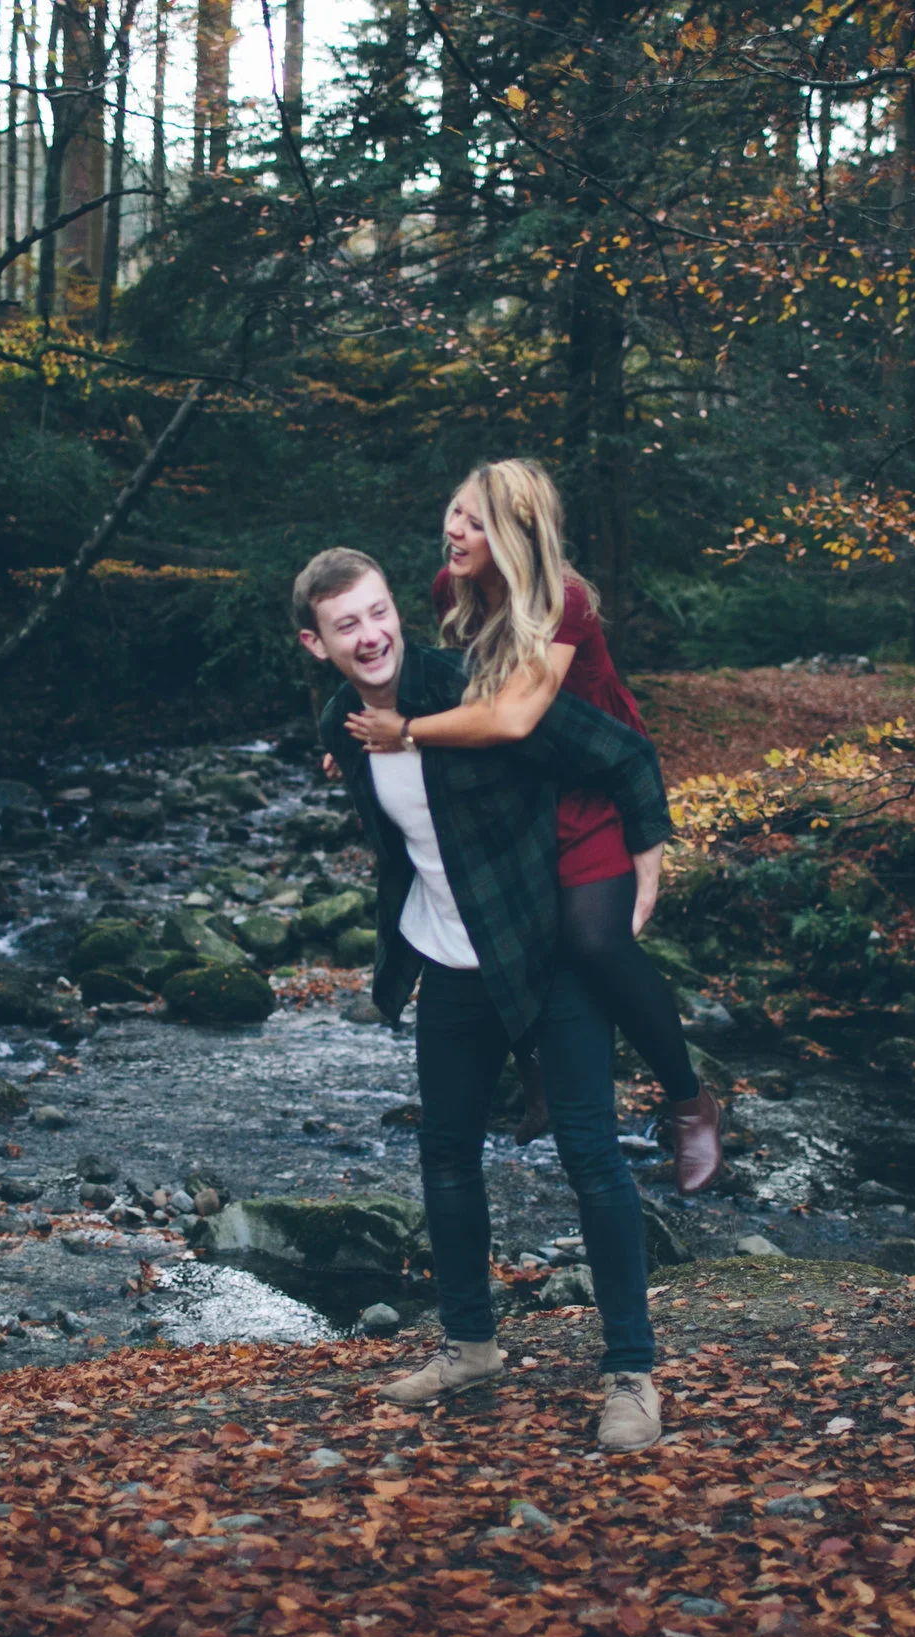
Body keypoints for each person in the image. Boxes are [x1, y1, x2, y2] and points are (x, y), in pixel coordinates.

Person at [295, 546, 670, 1452]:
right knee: (447, 1153)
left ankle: (632, 1372)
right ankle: (469, 1347)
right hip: (451, 959)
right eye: (347, 625)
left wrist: (644, 875)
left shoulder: (475, 690)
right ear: (317, 643)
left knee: (591, 1154)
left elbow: (621, 750)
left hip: (545, 947)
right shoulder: (342, 719)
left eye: (379, 612)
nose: (371, 635)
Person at [344, 460, 726, 1195]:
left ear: (518, 536)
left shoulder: (563, 601)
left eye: (477, 523)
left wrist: (407, 732)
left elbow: (517, 715)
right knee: (503, 920)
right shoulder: (452, 590)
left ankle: (690, 1104)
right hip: (518, 783)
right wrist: (357, 737)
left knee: (595, 940)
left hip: (590, 780)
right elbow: (443, 686)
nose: (455, 531)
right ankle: (538, 1070)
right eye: (455, 512)